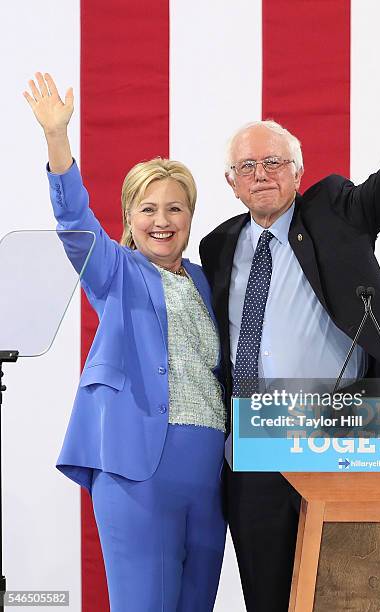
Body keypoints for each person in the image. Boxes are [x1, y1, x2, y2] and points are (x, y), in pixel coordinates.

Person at [199, 20, 380, 612]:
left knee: (346, 592)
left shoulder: (337, 210)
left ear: (298, 171)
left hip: (338, 440)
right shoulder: (216, 247)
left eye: (275, 162)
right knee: (267, 595)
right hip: (253, 449)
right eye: (249, 167)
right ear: (231, 183)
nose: (262, 175)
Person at [24, 72, 226, 612]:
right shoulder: (114, 270)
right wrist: (57, 139)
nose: (162, 221)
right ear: (129, 218)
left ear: (190, 217)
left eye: (174, 209)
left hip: (209, 471)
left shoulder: (209, 281)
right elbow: (73, 219)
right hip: (138, 466)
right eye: (148, 209)